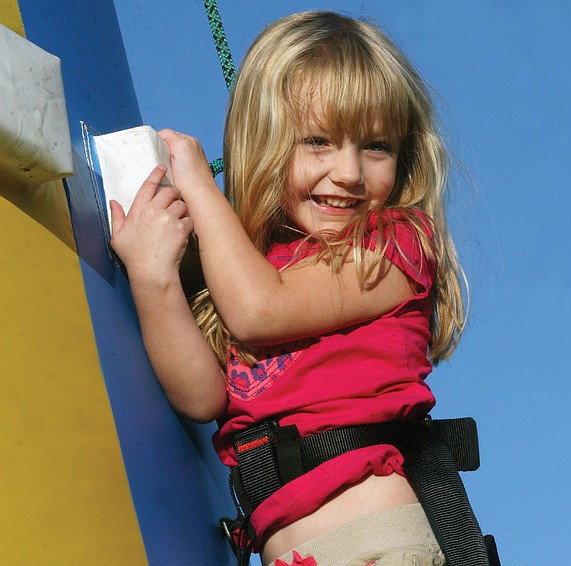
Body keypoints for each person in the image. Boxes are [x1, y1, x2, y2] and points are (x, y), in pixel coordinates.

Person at [109, 10, 485, 566]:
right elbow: (202, 397)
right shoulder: (247, 270)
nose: (350, 172)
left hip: (373, 542)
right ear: (263, 142)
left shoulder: (395, 245)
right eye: (318, 141)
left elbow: (260, 311)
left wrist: (195, 181)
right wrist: (154, 279)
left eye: (376, 147)